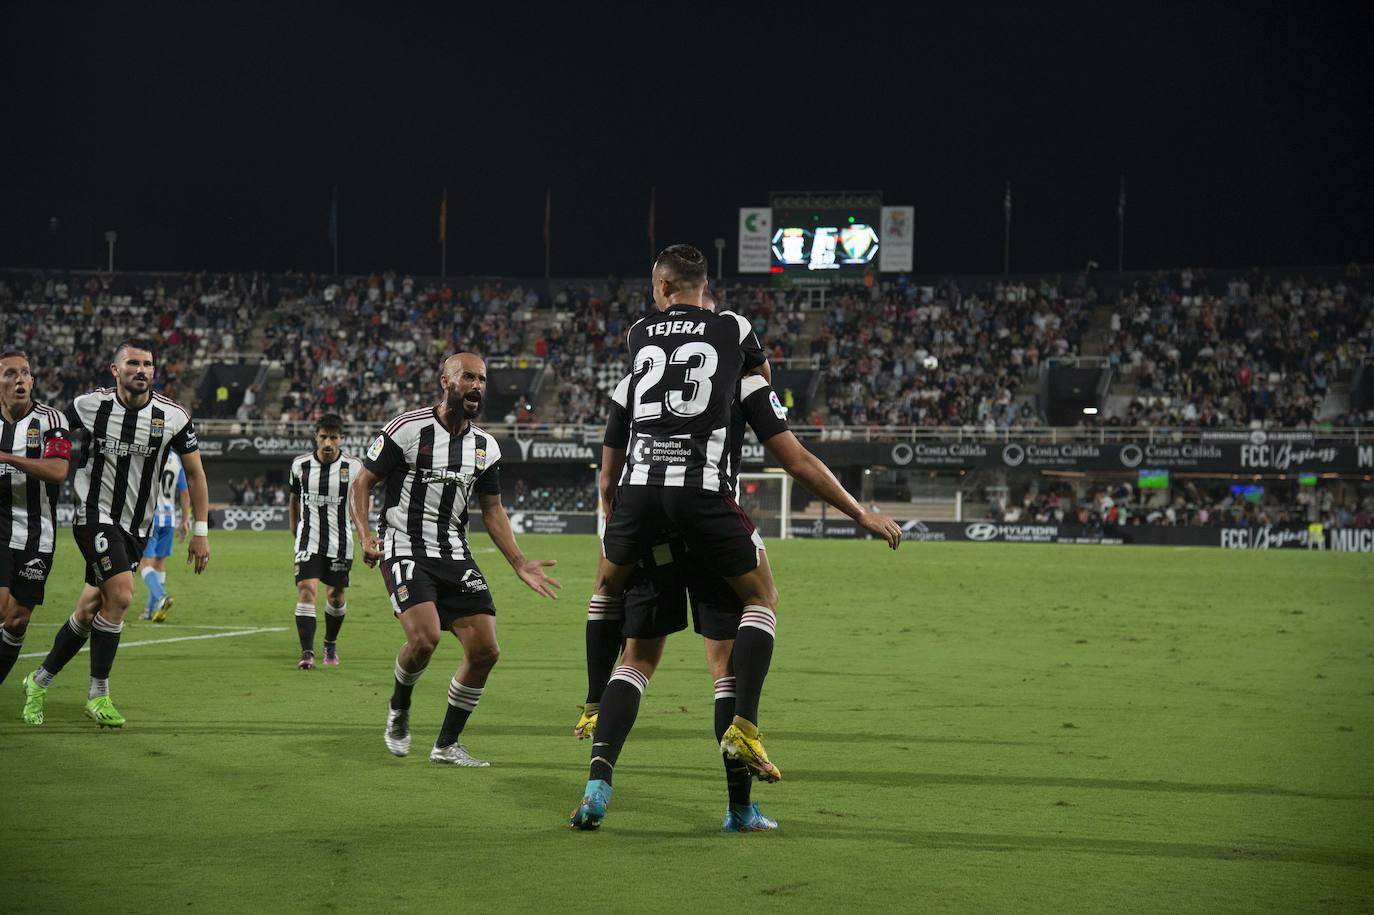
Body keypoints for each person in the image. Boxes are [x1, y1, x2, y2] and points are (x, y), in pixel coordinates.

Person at [573, 295, 903, 832]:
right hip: (708, 516)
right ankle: (740, 803)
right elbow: (795, 459)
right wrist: (858, 513)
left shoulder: (633, 381)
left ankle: (596, 785)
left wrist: (620, 538)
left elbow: (607, 480)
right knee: (736, 646)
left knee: (635, 660)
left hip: (644, 517)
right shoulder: (744, 381)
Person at [349, 352, 560, 767]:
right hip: (405, 545)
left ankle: (446, 744)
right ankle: (399, 707)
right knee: (424, 638)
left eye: (482, 379)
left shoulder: (485, 447)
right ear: (445, 381)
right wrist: (365, 536)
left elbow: (493, 509)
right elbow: (363, 482)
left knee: (486, 650)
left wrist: (518, 562)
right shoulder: (407, 430)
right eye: (468, 377)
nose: (477, 385)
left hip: (454, 552)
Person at [21, 340, 211, 728]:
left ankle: (38, 681)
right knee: (123, 595)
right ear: (115, 369)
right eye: (133, 363)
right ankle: (98, 692)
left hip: (137, 527)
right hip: (94, 516)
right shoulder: (89, 406)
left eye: (148, 364)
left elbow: (195, 473)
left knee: (90, 609)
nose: (141, 370)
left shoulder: (173, 416)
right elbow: (45, 427)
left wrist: (201, 531)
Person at [0, 351, 71, 687]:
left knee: (16, 620)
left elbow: (58, 471)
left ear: (33, 380)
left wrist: (6, 458)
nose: (19, 380)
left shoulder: (51, 420)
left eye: (25, 373)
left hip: (36, 533)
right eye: (10, 373)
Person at [288, 413, 362, 668]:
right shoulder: (300, 465)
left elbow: (362, 500)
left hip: (340, 543)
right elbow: (294, 500)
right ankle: (306, 653)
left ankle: (330, 643)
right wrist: (295, 532)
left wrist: (365, 534)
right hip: (308, 540)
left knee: (335, 597)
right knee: (306, 590)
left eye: (333, 437)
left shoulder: (354, 467)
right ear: (315, 437)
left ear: (341, 438)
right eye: (323, 437)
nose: (328, 443)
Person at [137, 450, 189, 621]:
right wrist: (185, 520)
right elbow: (184, 491)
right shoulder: (176, 459)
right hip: (169, 518)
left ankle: (161, 596)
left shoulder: (151, 452)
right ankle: (150, 611)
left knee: (144, 564)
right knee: (159, 564)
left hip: (151, 517)